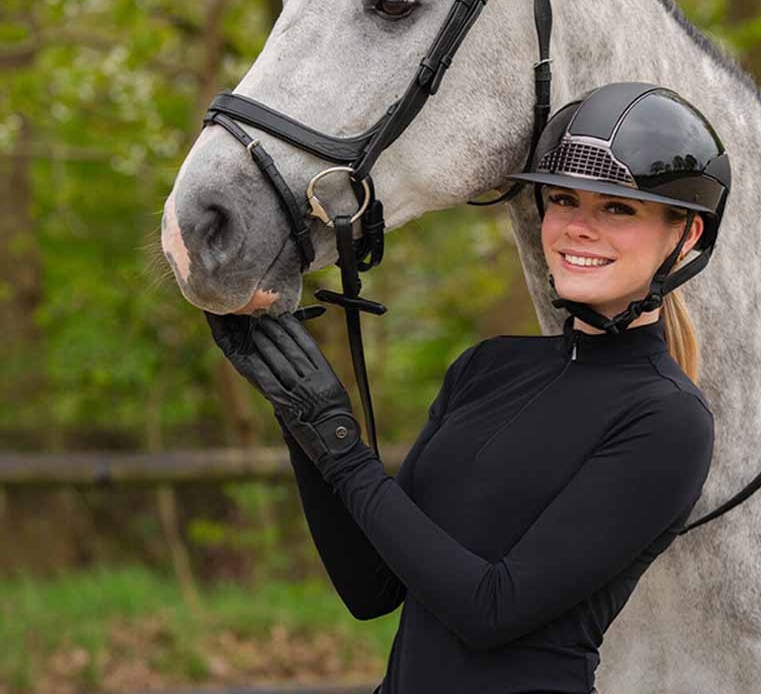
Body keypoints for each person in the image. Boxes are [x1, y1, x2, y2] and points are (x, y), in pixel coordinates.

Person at [207, 80, 731, 694]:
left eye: (617, 208)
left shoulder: (667, 420)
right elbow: (371, 586)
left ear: (686, 235)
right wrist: (299, 415)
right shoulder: (487, 367)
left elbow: (492, 611)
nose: (577, 228)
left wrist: (343, 446)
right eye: (563, 200)